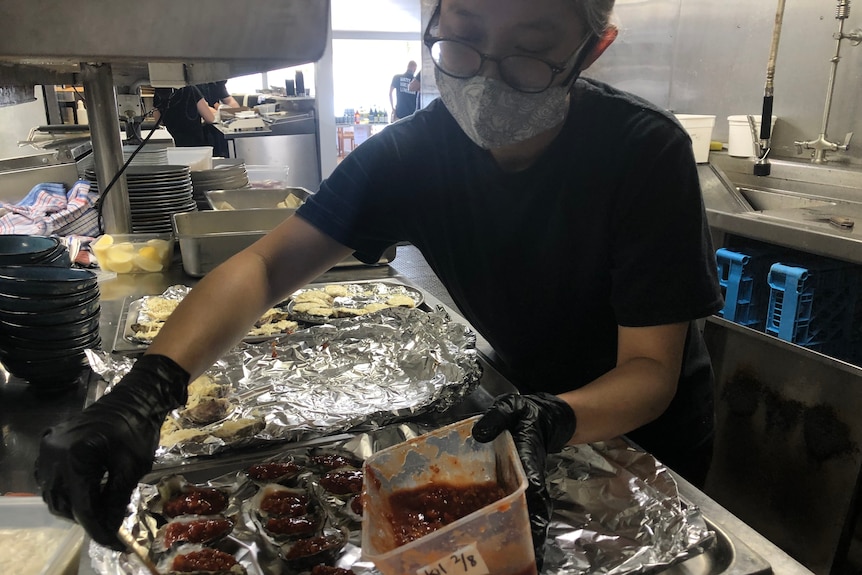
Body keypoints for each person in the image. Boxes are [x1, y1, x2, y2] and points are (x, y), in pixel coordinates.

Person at [36, 0, 722, 569]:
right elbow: (265, 266)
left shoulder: (642, 154)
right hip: (519, 410)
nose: (484, 73)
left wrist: (559, 417)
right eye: (462, 35)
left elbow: (649, 370)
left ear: (591, 49)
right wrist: (147, 390)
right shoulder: (416, 153)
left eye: (529, 47)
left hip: (637, 440)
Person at [153, 81, 238, 158]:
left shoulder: (159, 93)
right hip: (196, 146)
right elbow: (210, 118)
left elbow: (159, 121)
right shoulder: (191, 89)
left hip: (176, 147)